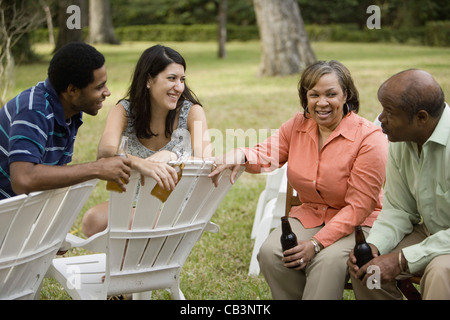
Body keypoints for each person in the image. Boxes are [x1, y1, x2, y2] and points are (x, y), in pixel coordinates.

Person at [209, 60, 388, 299]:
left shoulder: (369, 138)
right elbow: (267, 154)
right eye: (314, 95)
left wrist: (315, 244)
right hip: (312, 214)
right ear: (306, 97)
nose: (321, 103)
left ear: (346, 95)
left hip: (358, 223)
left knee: (327, 261)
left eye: (331, 94)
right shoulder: (297, 125)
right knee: (272, 252)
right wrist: (241, 154)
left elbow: (359, 206)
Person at [82, 44, 211, 237]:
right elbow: (105, 151)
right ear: (149, 80)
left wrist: (172, 155)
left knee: (131, 225)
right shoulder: (124, 111)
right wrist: (140, 164)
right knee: (92, 220)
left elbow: (206, 161)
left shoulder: (192, 111)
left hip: (174, 207)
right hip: (131, 202)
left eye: (182, 79)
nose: (179, 87)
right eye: (171, 78)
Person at [347, 69, 450, 300]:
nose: (381, 118)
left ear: (421, 118)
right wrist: (374, 245)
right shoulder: (401, 140)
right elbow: (399, 209)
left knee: (440, 271)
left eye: (389, 112)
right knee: (367, 266)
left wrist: (402, 259)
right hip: (430, 233)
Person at [0, 42, 132, 200]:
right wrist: (97, 168)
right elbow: (23, 179)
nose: (107, 92)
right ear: (72, 90)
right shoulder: (33, 110)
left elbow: (56, 172)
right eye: (99, 87)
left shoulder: (70, 112)